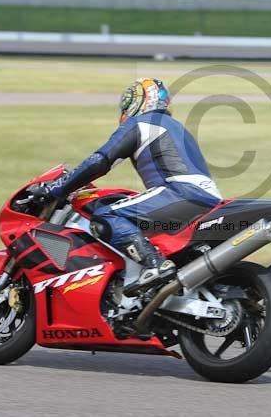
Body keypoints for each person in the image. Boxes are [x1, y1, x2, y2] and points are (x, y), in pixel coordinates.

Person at [32, 78, 222, 295]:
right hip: (206, 196)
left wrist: (56, 189)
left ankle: (155, 264)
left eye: (129, 100)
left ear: (141, 100)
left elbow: (100, 161)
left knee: (106, 216)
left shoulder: (142, 122)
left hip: (180, 192)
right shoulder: (175, 126)